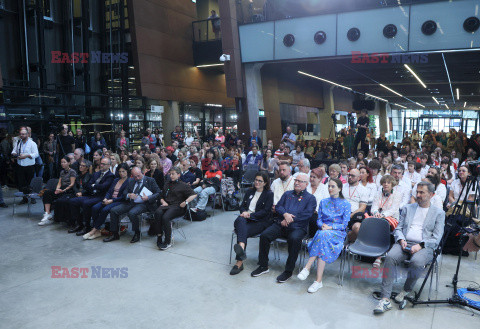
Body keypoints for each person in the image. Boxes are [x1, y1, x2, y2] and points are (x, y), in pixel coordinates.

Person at [374, 182, 445, 314]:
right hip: (404, 242)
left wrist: (421, 245)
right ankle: (385, 299)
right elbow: (399, 228)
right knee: (390, 257)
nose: (418, 195)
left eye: (422, 192)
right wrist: (401, 239)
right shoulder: (408, 208)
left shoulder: (438, 213)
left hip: (425, 246)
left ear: (431, 195)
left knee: (416, 262)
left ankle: (405, 290)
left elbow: (436, 238)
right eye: (417, 192)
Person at [251, 173, 316, 283]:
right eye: (296, 180)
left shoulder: (310, 198)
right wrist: (285, 214)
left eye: (300, 181)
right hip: (281, 223)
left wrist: (290, 219)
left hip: (298, 227)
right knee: (265, 235)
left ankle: (288, 271)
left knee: (294, 239)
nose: (296, 183)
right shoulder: (287, 194)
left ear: (306, 184)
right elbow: (279, 207)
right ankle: (263, 266)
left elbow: (307, 214)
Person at [297, 178, 351, 293]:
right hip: (323, 232)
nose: (330, 189)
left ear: (340, 188)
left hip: (337, 233)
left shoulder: (346, 204)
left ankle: (307, 267)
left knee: (323, 236)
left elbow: (344, 225)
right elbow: (319, 220)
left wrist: (330, 227)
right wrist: (322, 226)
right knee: (323, 238)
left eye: (333, 186)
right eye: (329, 186)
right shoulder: (323, 202)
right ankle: (318, 281)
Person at [231, 171, 274, 275]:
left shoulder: (269, 194)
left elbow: (266, 212)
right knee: (240, 221)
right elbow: (242, 206)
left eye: (260, 181)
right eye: (256, 180)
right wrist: (244, 213)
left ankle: (239, 262)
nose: (257, 182)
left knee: (242, 229)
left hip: (259, 222)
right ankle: (241, 249)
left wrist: (250, 215)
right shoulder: (249, 191)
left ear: (265, 183)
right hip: (244, 219)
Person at [104, 167, 161, 243]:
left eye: (138, 176)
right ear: (132, 176)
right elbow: (124, 193)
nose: (137, 178)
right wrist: (129, 195)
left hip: (143, 203)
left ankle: (137, 232)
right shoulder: (131, 181)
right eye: (135, 176)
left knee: (132, 213)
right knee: (113, 210)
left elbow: (158, 193)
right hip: (131, 202)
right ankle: (114, 234)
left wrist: (148, 197)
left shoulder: (150, 180)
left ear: (142, 173)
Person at [67, 158, 115, 235]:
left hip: (101, 197)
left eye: (104, 164)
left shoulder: (111, 176)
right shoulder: (96, 174)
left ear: (109, 165)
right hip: (91, 195)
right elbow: (88, 185)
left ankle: (87, 226)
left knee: (86, 203)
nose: (101, 165)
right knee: (73, 201)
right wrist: (95, 186)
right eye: (101, 163)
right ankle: (79, 224)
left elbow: (104, 187)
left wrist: (94, 185)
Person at [153, 167, 197, 250]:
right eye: (170, 174)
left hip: (178, 206)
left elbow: (194, 194)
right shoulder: (167, 183)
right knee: (157, 213)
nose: (171, 176)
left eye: (173, 174)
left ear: (178, 175)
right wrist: (163, 202)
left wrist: (186, 202)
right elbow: (161, 196)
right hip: (167, 205)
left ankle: (167, 242)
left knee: (166, 217)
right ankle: (159, 236)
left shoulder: (183, 185)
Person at [83, 163, 130, 240]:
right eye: (120, 171)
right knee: (95, 207)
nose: (121, 173)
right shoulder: (116, 180)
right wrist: (106, 198)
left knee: (104, 210)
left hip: (119, 201)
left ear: (127, 171)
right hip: (109, 199)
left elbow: (123, 197)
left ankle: (94, 230)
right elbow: (109, 191)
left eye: (123, 171)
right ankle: (97, 231)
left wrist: (111, 200)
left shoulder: (129, 181)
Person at [38, 156, 76, 226]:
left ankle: (60, 218)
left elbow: (72, 184)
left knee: (61, 200)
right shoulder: (62, 172)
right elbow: (59, 182)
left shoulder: (72, 171)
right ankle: (47, 213)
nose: (62, 164)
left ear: (69, 163)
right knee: (47, 193)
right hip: (61, 189)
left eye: (64, 162)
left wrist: (63, 190)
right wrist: (57, 189)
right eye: (61, 162)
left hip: (68, 190)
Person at [12, 127, 39, 204]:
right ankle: (24, 198)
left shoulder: (32, 143)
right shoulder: (18, 142)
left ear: (27, 134)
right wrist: (14, 153)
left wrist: (26, 155)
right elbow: (14, 150)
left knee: (30, 183)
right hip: (20, 165)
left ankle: (32, 198)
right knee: (22, 183)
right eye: (20, 134)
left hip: (29, 166)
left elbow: (36, 154)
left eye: (23, 134)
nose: (22, 135)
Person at [343, 169, 368, 242]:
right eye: (349, 175)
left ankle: (363, 246)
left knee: (357, 227)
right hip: (341, 213)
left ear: (359, 177)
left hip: (354, 215)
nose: (350, 177)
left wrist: (351, 215)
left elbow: (362, 208)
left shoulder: (363, 190)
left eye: (352, 176)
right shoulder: (342, 187)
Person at [306, 168, 330, 237]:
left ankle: (313, 239)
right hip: (305, 211)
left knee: (314, 220)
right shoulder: (306, 186)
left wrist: (316, 210)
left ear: (320, 179)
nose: (312, 179)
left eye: (314, 177)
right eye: (311, 176)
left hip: (317, 213)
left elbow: (325, 204)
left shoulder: (325, 188)